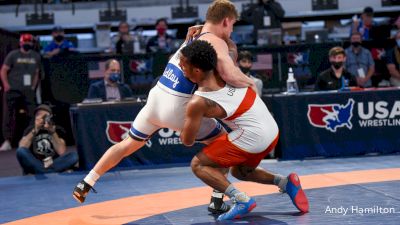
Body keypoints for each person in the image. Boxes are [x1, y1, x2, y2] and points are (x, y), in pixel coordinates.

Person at [73, 0, 256, 216]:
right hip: (177, 105)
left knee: (127, 145)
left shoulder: (191, 36)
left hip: (156, 97)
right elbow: (229, 66)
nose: (233, 29)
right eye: (232, 24)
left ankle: (87, 181)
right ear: (225, 22)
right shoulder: (215, 43)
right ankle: (220, 199)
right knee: (223, 143)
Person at [179, 40, 308, 220]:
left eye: (183, 65)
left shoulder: (198, 102)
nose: (180, 67)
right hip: (271, 131)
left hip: (253, 136)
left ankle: (241, 200)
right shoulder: (225, 68)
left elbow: (187, 140)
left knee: (198, 164)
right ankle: (286, 183)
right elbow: (231, 48)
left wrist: (179, 125)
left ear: (197, 70)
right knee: (239, 171)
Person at [0, 33, 41, 151]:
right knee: (8, 115)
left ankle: (27, 140)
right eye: (25, 42)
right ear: (21, 43)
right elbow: (3, 70)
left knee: (31, 115)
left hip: (28, 90)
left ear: (32, 43)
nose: (27, 44)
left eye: (29, 42)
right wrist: (6, 85)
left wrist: (33, 86)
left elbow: (37, 73)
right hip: (13, 90)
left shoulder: (36, 56)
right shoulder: (13, 55)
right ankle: (7, 141)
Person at [16, 104, 78, 174]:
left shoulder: (57, 129)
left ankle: (42, 171)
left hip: (52, 163)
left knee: (74, 155)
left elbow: (61, 151)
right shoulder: (30, 129)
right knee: (20, 151)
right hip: (35, 162)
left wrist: (52, 132)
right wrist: (35, 131)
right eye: (39, 115)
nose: (42, 118)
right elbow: (22, 147)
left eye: (45, 116)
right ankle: (47, 171)